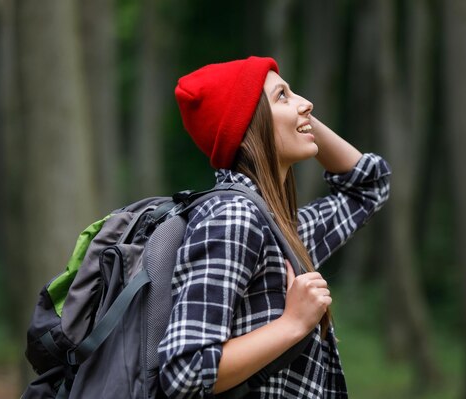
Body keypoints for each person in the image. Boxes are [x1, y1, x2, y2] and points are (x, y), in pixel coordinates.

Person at [158, 56, 391, 398]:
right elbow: (185, 370)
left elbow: (369, 186)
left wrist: (299, 117)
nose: (307, 103)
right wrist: (292, 324)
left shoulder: (279, 230)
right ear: (250, 124)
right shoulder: (234, 217)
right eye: (282, 96)